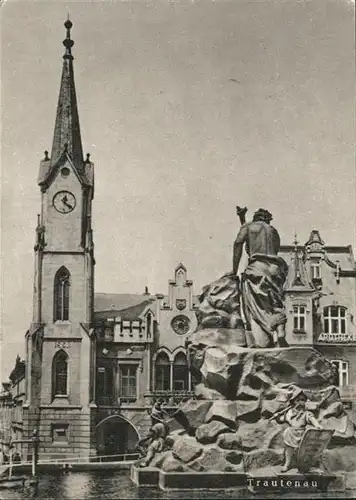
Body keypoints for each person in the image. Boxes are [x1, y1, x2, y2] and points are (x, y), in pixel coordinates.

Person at [232, 208, 289, 348]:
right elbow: (266, 248)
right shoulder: (273, 231)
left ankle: (264, 338)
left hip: (257, 269)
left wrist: (234, 270)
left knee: (256, 307)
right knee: (275, 304)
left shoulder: (249, 226)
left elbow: (240, 243)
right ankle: (280, 330)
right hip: (275, 270)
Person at [273, 388, 323, 472]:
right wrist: (277, 416)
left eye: (303, 400)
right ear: (293, 401)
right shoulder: (289, 412)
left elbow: (312, 419)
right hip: (291, 434)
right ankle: (287, 464)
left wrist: (317, 425)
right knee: (289, 449)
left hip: (303, 434)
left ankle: (306, 465)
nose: (300, 402)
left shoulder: (306, 413)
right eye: (298, 400)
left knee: (304, 451)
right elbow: (282, 419)